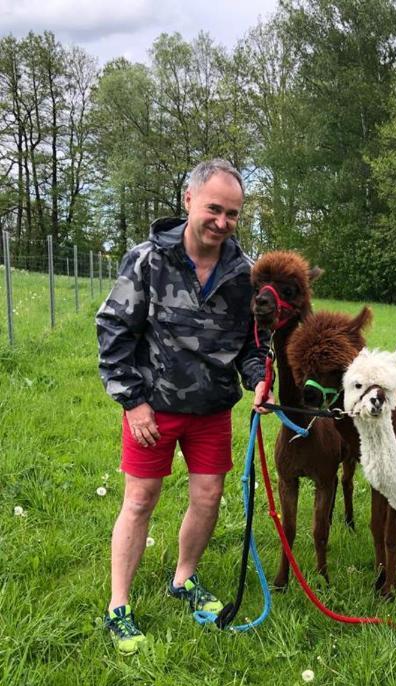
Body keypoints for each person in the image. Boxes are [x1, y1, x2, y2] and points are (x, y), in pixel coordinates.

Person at [96, 159, 273, 654]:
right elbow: (113, 329)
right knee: (140, 500)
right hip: (153, 409)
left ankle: (184, 579)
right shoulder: (148, 259)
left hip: (212, 409)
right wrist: (132, 403)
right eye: (214, 208)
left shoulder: (243, 273)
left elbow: (252, 345)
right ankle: (119, 606)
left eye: (233, 214)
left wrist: (259, 382)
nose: (222, 221)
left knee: (208, 497)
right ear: (189, 200)